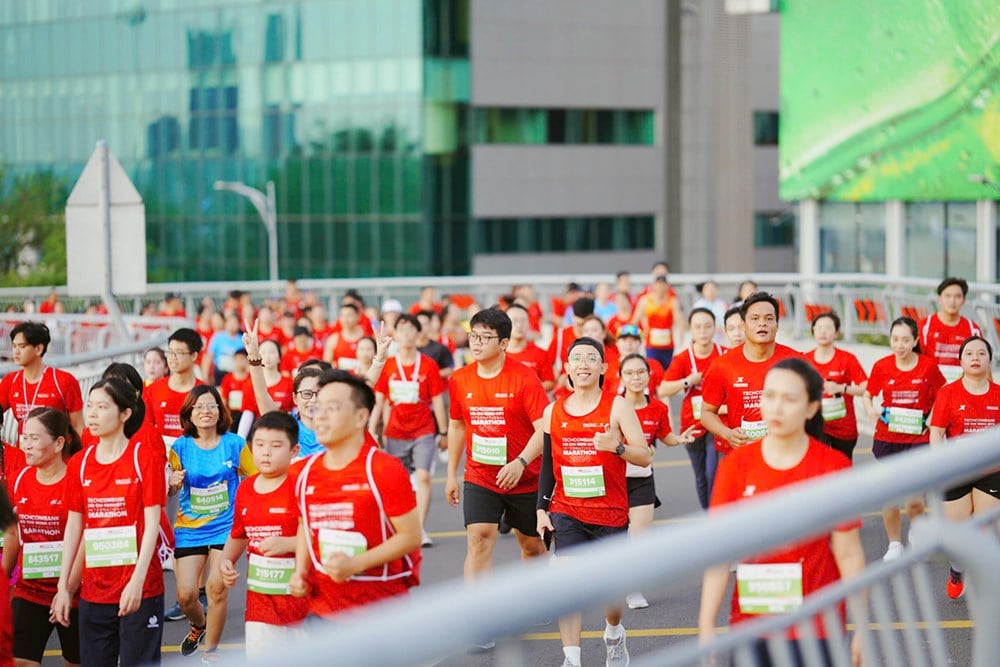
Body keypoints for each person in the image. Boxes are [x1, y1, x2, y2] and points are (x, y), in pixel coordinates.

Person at [698, 359, 865, 667]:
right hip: (753, 624)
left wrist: (863, 630)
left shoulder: (832, 467)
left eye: (789, 399)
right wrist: (706, 625)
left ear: (811, 408)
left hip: (817, 625)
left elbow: (849, 554)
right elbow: (719, 553)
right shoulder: (736, 465)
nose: (775, 407)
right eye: (769, 396)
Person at [534, 337, 651, 667]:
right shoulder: (552, 410)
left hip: (611, 512)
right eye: (576, 358)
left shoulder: (618, 406)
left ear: (603, 367)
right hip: (567, 510)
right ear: (567, 368)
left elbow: (645, 456)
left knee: (609, 592)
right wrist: (542, 509)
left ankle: (614, 634)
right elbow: (547, 466)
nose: (583, 364)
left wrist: (617, 447)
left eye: (590, 358)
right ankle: (572, 658)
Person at [445, 307, 548, 648]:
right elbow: (457, 426)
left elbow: (543, 428)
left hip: (526, 476)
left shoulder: (524, 378)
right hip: (480, 475)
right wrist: (451, 475)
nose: (476, 343)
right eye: (473, 335)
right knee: (479, 540)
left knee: (531, 546)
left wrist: (520, 462)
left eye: (485, 337)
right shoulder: (460, 379)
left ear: (503, 342)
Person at [52, 378, 166, 667]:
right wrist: (64, 586)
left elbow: (153, 524)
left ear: (125, 414)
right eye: (90, 406)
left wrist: (137, 582)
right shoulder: (80, 463)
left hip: (140, 588)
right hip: (95, 591)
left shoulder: (145, 459)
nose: (92, 413)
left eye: (102, 407)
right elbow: (75, 527)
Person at [289, 371, 422, 618]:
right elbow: (304, 525)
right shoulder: (301, 472)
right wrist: (300, 571)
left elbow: (411, 536)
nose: (321, 417)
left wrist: (354, 565)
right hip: (323, 610)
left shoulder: (384, 469)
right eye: (318, 409)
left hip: (380, 610)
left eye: (332, 408)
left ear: (361, 416)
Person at [168, 386, 254, 661]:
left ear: (220, 411)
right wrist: (172, 484)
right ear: (189, 415)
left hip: (225, 526)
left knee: (216, 588)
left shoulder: (235, 444)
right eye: (198, 407)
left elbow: (254, 479)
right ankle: (199, 626)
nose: (205, 411)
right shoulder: (179, 447)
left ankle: (211, 652)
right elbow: (171, 491)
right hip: (190, 529)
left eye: (211, 406)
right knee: (185, 596)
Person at [218, 411, 309, 658]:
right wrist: (226, 561)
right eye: (258, 444)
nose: (265, 452)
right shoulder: (246, 488)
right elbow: (238, 533)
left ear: (294, 450)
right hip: (261, 603)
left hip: (303, 603)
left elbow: (322, 537)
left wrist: (289, 543)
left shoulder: (302, 485)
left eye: (276, 446)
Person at [3, 408, 82, 667]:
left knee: (75, 662)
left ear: (59, 443)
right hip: (31, 591)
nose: (26, 446)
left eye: (34, 439)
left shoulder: (77, 481)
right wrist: (4, 578)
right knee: (19, 661)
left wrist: (66, 590)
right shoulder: (17, 481)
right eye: (24, 438)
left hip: (77, 594)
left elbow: (84, 541)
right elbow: (14, 533)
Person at [863, 316, 945, 561]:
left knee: (914, 501)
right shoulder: (882, 366)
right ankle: (894, 543)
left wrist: (931, 419)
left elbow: (943, 393)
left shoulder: (928, 366)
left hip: (918, 439)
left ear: (915, 340)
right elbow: (868, 394)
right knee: (889, 495)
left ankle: (916, 535)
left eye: (905, 340)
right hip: (888, 439)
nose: (899, 345)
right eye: (895, 339)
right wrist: (870, 410)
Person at [619, 353, 695, 610]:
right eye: (629, 373)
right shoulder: (614, 406)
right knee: (616, 538)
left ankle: (633, 588)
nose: (636, 377)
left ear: (649, 376)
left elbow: (665, 436)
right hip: (614, 480)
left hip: (642, 478)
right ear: (621, 377)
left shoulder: (658, 408)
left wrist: (679, 439)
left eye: (640, 372)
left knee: (640, 537)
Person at [929, 335, 1000, 600]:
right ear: (960, 360)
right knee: (957, 535)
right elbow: (936, 433)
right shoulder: (948, 392)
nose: (975, 358)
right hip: (957, 471)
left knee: (987, 530)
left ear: (990, 359)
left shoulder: (998, 394)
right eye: (969, 353)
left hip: (991, 472)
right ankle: (957, 570)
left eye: (981, 353)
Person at [371, 315, 448, 547]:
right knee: (399, 482)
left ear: (418, 333)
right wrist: (371, 429)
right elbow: (379, 400)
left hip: (424, 429)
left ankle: (420, 529)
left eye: (410, 329)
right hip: (395, 431)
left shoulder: (428, 365)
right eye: (401, 329)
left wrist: (443, 432)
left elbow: (437, 401)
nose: (405, 333)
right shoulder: (389, 365)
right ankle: (402, 527)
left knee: (423, 476)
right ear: (395, 334)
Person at [701, 293, 801, 450]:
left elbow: (813, 404)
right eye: (755, 319)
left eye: (769, 319)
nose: (762, 324)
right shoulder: (723, 365)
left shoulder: (796, 361)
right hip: (745, 454)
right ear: (743, 325)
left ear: (777, 324)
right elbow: (706, 413)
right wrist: (727, 433)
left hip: (787, 451)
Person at [661, 308, 727, 510]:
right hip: (692, 423)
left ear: (714, 328)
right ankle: (708, 515)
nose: (703, 331)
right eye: (698, 327)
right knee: (700, 476)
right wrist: (688, 381)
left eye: (708, 326)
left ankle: (715, 516)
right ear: (691, 329)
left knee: (712, 472)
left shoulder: (724, 354)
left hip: (717, 421)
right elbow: (664, 388)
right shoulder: (683, 358)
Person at [0, 321, 84, 435]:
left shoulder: (64, 381)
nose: (16, 351)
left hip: (57, 451)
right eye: (14, 346)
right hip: (23, 450)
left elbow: (78, 425)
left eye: (22, 346)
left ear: (38, 349)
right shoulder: (10, 381)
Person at [805, 312, 868, 461]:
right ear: (813, 331)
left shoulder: (847, 359)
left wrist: (841, 388)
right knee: (820, 468)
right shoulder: (805, 359)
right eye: (819, 327)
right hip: (817, 425)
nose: (823, 331)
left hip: (844, 427)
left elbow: (867, 387)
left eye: (828, 328)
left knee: (843, 468)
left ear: (837, 333)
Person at [147, 328, 205, 447]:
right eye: (170, 352)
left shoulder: (205, 393)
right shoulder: (153, 390)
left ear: (193, 356)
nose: (173, 357)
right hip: (161, 457)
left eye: (178, 353)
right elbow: (145, 429)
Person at [918, 277, 983, 383]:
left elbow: (982, 367)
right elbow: (914, 362)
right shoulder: (924, 326)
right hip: (931, 389)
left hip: (962, 389)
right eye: (948, 296)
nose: (952, 301)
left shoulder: (973, 330)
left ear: (964, 300)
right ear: (939, 299)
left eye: (957, 296)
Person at [631, 275, 684, 368]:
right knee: (652, 368)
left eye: (663, 284)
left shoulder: (672, 301)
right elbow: (634, 321)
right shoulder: (645, 300)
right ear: (654, 285)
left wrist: (681, 339)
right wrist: (638, 336)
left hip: (668, 344)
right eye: (658, 284)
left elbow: (679, 320)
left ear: (667, 286)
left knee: (666, 371)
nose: (661, 287)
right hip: (651, 344)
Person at [504, 304, 555, 391]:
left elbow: (550, 382)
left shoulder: (540, 354)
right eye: (514, 321)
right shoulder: (495, 353)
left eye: (523, 321)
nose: (519, 325)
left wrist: (530, 391)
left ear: (529, 323)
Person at [202, 313, 245, 386]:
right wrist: (205, 374)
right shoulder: (218, 337)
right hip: (220, 373)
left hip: (236, 374)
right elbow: (209, 356)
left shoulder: (242, 340)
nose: (232, 324)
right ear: (225, 323)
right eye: (230, 322)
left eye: (235, 322)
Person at [323, 303, 366, 371]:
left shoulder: (366, 337)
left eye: (349, 315)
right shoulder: (333, 339)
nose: (345, 319)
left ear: (358, 317)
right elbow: (326, 365)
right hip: (341, 378)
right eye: (342, 316)